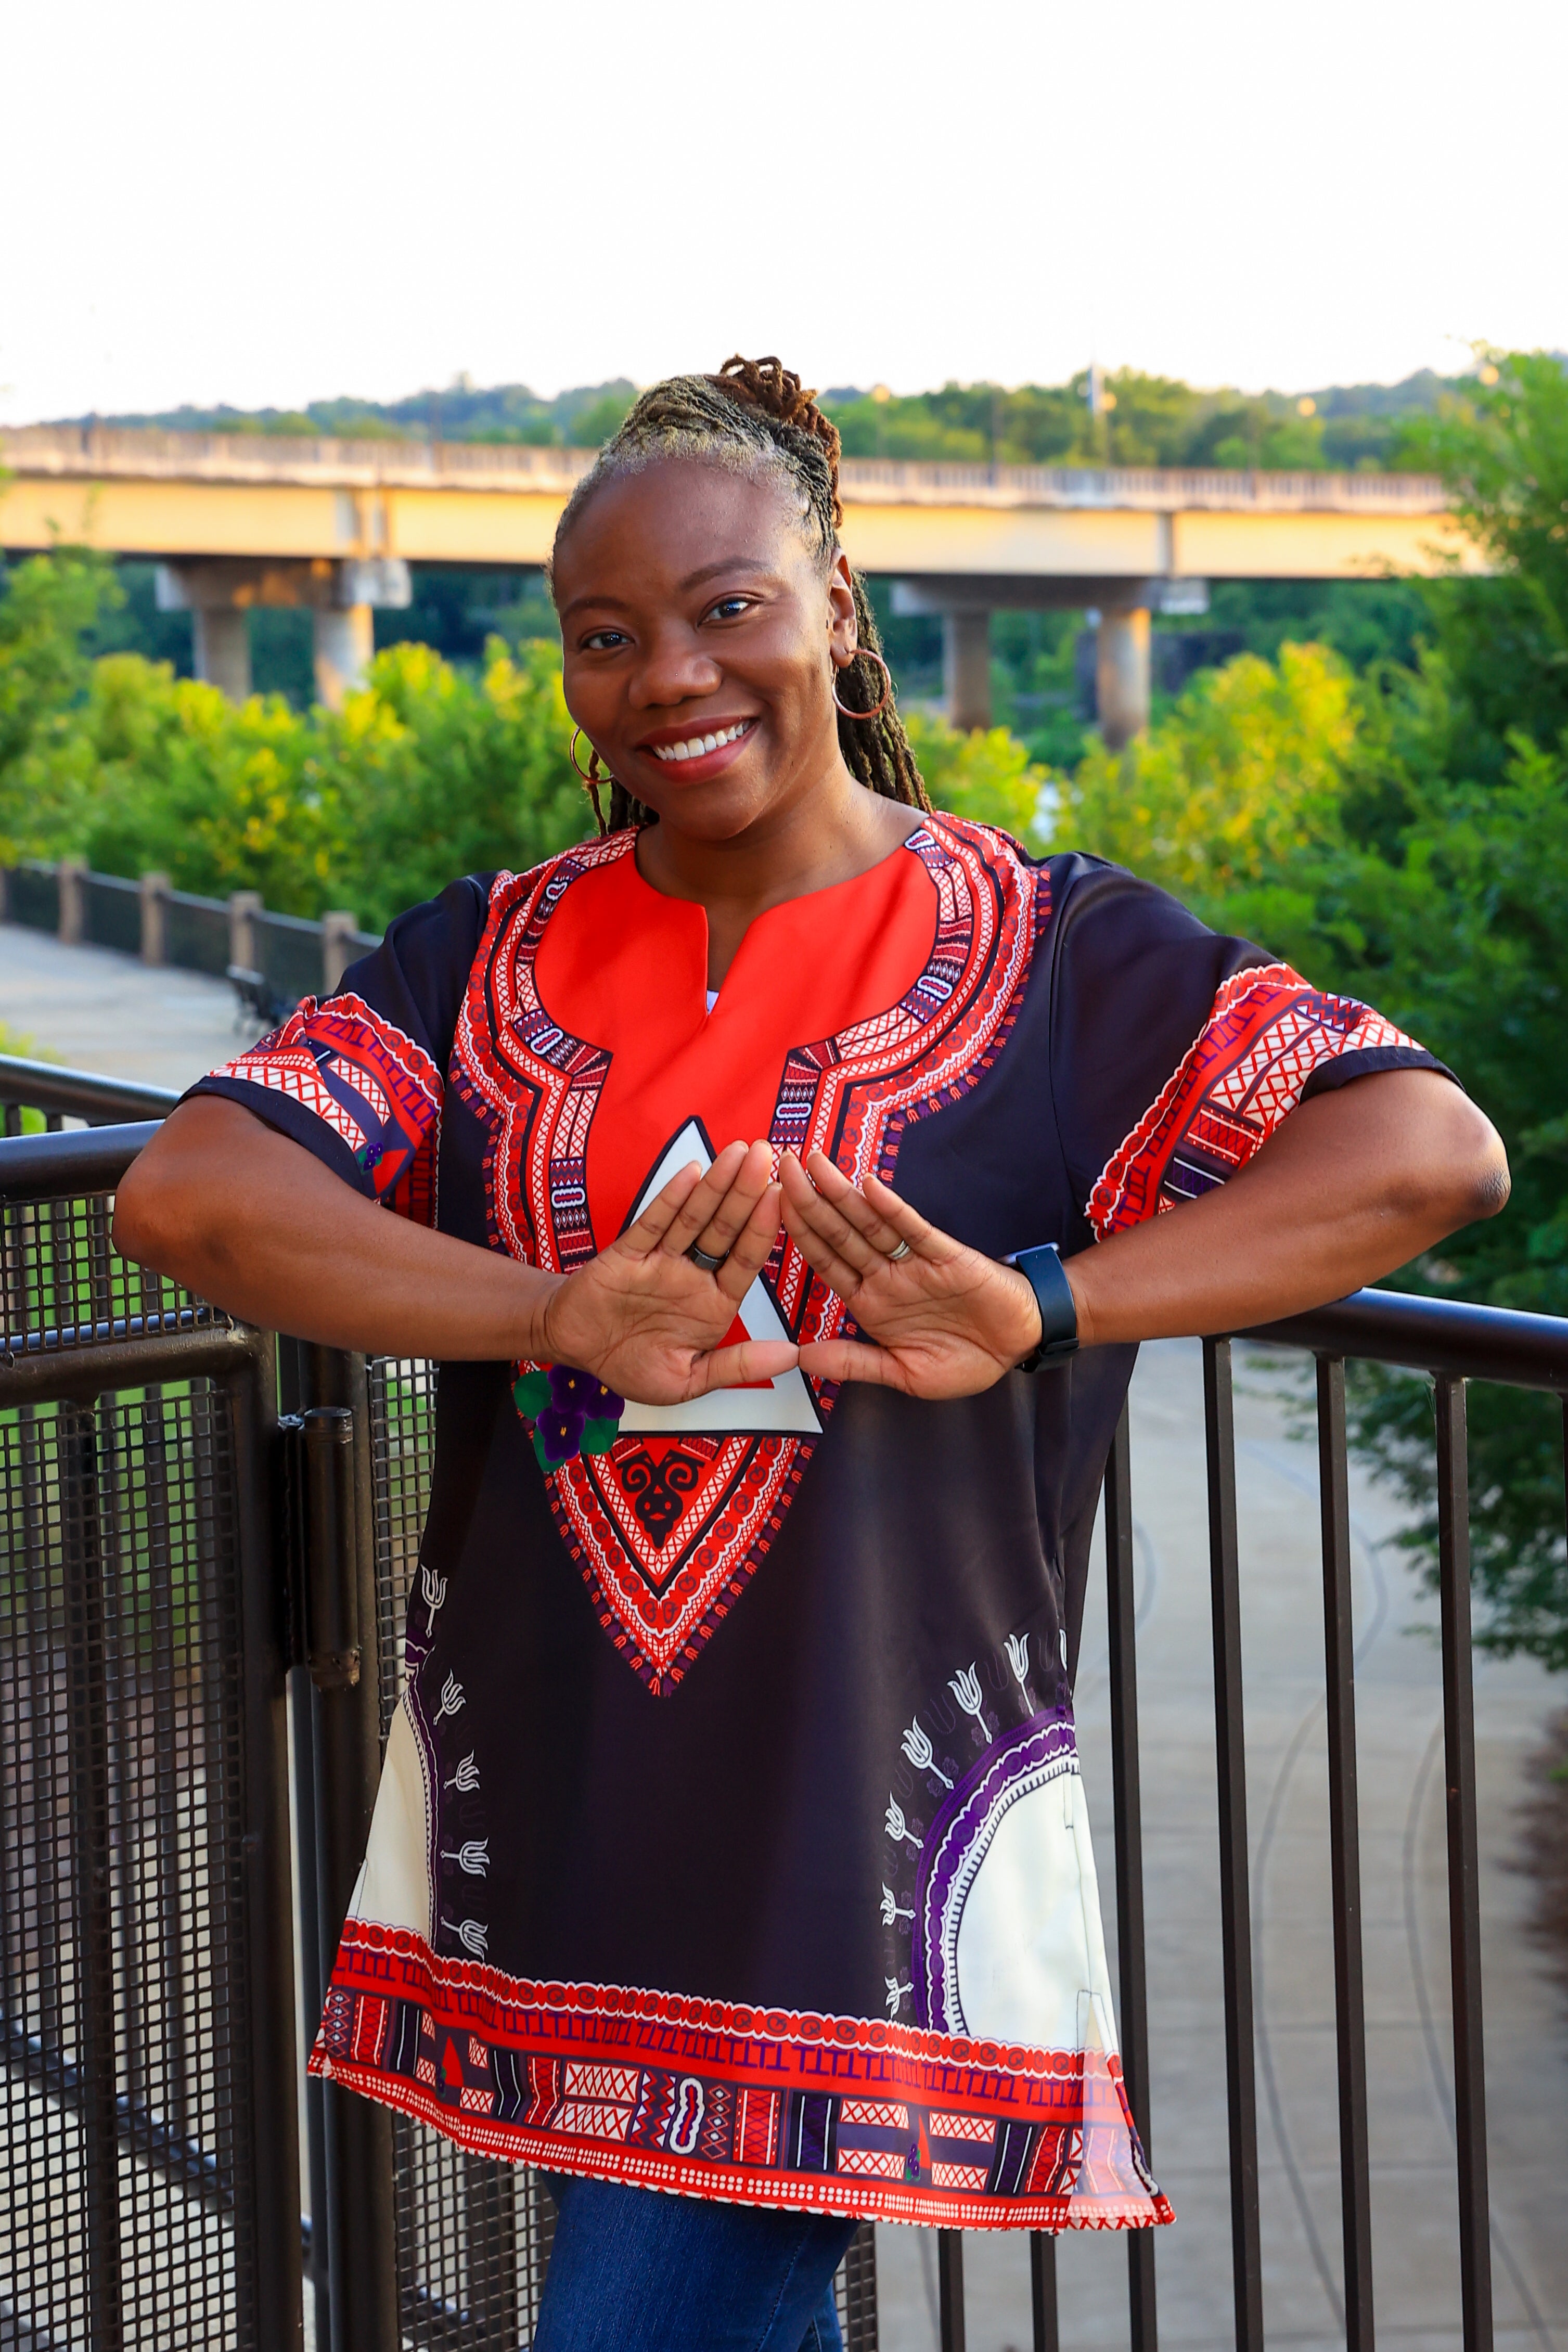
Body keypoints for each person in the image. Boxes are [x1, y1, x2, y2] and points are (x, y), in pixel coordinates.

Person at [113, 356, 1508, 2352]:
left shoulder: (1056, 954)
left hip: (853, 1847)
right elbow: (192, 1192)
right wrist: (548, 1310)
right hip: (572, 1814)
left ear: (839, 607)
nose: (667, 676)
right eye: (606, 634)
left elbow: (1426, 1152)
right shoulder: (477, 957)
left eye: (727, 607)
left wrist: (1045, 1303)